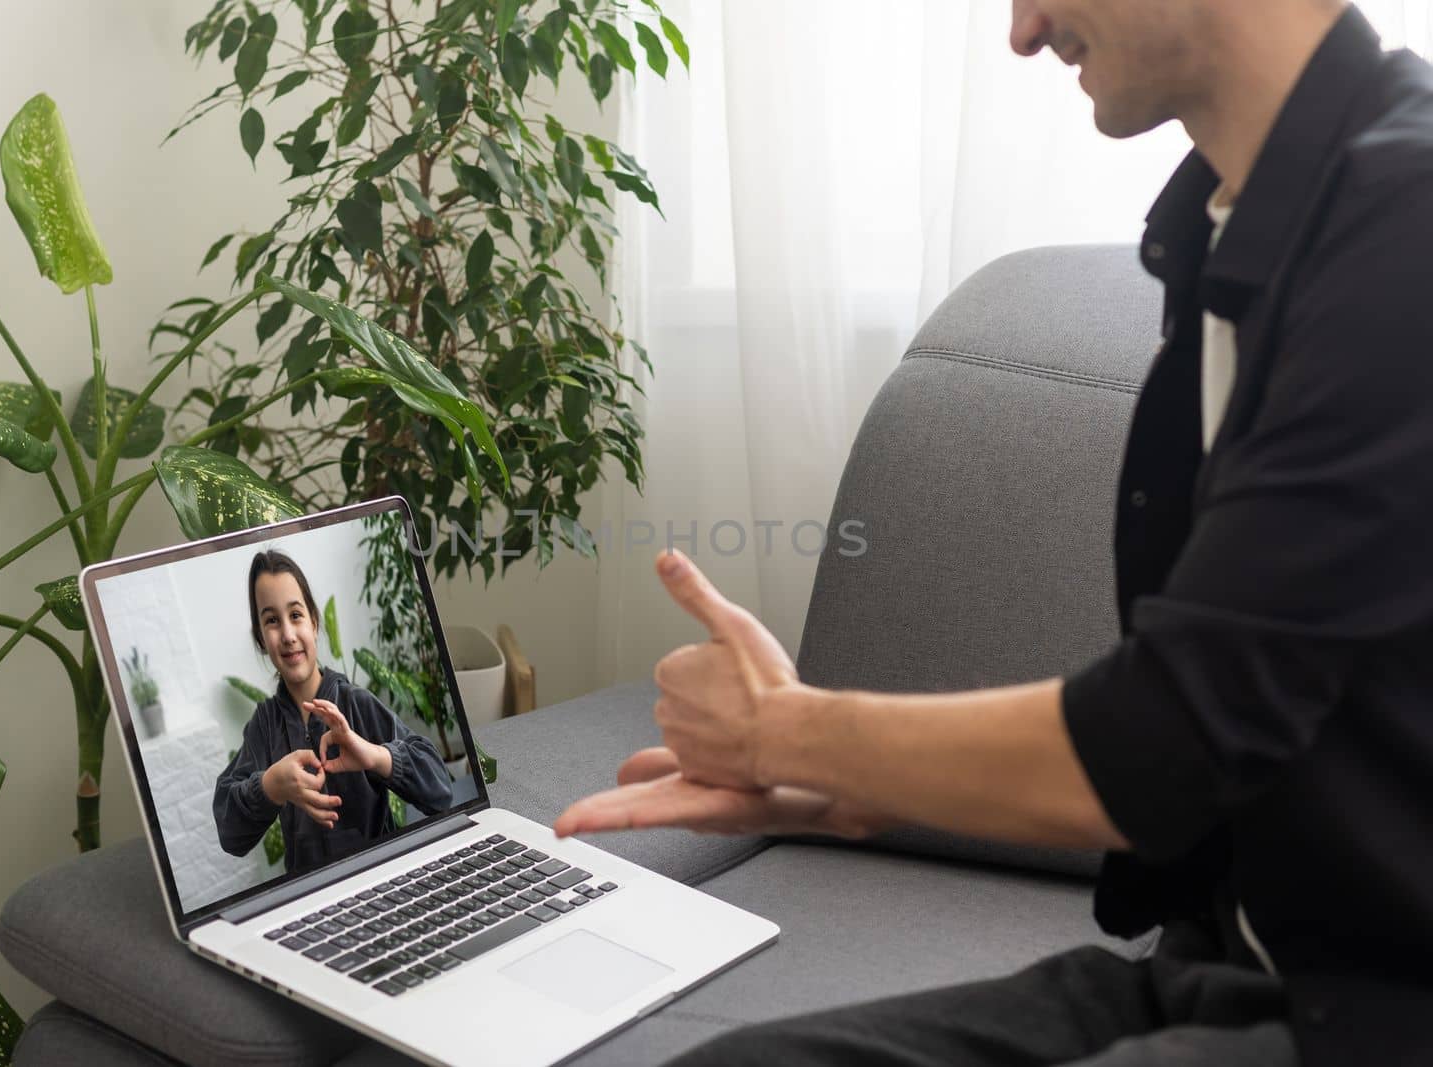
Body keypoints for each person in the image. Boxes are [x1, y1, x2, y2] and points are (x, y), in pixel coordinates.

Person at [555, 2, 1433, 1065]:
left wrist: (781, 729)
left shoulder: (1404, 226)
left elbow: (1171, 734)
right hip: (1228, 972)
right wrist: (844, 781)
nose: (1022, 29)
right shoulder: (1225, 235)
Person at [214, 549, 453, 876]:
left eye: (295, 615)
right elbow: (230, 835)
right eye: (271, 621)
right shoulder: (264, 726)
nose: (287, 635)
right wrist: (270, 786)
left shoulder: (356, 702)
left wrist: (374, 756)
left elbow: (441, 789)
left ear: (314, 621)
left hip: (384, 881)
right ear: (260, 638)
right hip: (309, 897)